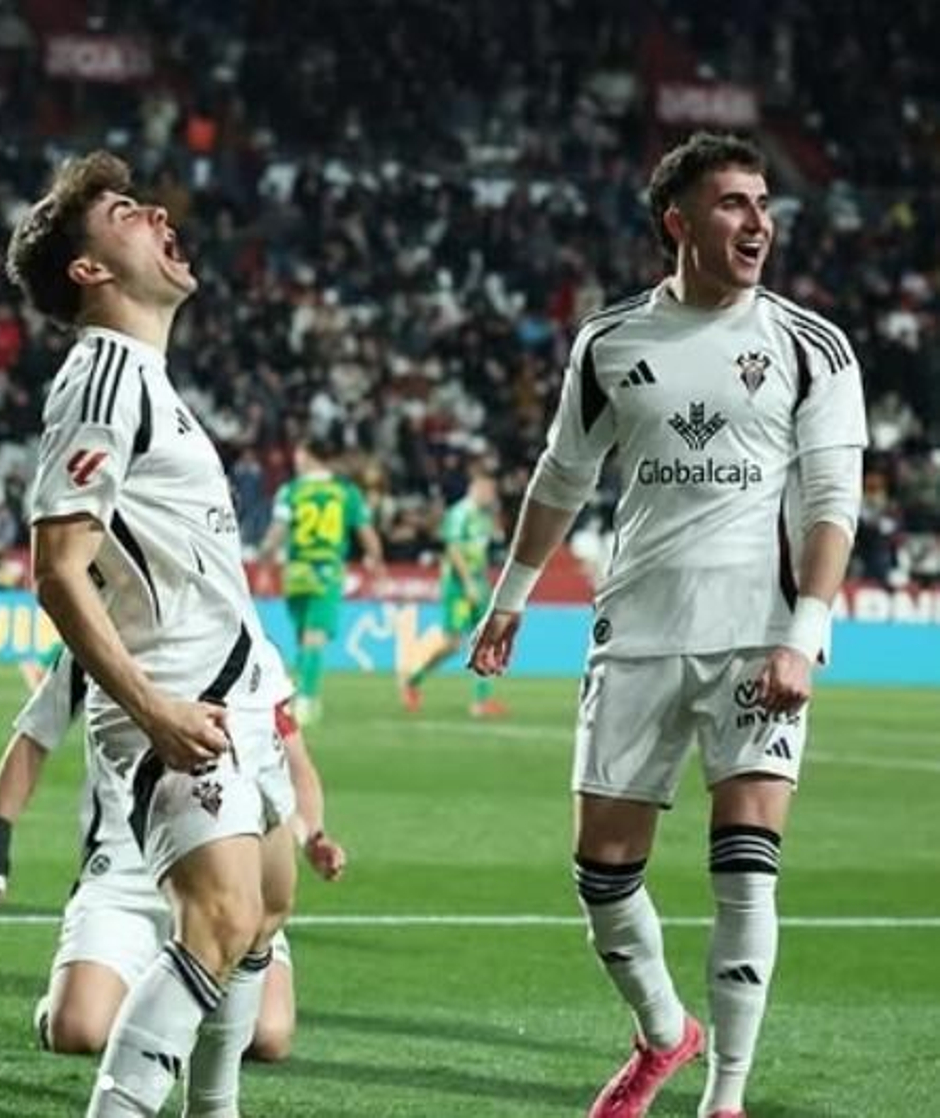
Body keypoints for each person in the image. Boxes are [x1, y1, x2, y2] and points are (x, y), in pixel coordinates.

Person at [468, 133, 866, 1118]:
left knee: (744, 865)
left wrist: (802, 632)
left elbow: (832, 502)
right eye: (733, 202)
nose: (757, 221)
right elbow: (560, 480)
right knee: (601, 872)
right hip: (636, 627)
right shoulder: (608, 343)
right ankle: (663, 1029)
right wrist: (509, 596)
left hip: (756, 635)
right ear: (677, 222)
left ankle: (724, 1094)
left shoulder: (812, 346)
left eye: (764, 202)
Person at [8, 150, 296, 1118]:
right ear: (89, 269)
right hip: (176, 699)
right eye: (127, 213)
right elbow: (54, 570)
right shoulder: (101, 381)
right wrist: (155, 709)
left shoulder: (148, 379)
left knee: (262, 912)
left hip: (231, 691)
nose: (159, 216)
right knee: (218, 916)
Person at [0, 648, 347, 1062]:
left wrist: (313, 834)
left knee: (268, 1036)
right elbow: (34, 737)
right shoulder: (93, 637)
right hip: (125, 881)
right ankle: (84, 1003)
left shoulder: (251, 644)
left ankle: (172, 1002)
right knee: (78, 1030)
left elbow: (294, 761)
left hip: (228, 874)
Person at [259, 435, 383, 727]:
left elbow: (275, 535)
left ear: (308, 455)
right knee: (315, 637)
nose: (295, 460)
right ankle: (307, 700)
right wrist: (375, 559)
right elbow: (366, 532)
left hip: (296, 572)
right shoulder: (345, 491)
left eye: (299, 454)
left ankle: (294, 695)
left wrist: (265, 563)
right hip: (327, 570)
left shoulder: (291, 490)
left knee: (303, 637)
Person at [401, 465, 506, 718]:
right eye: (488, 489)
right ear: (477, 487)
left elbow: (485, 547)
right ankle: (414, 679)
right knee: (453, 643)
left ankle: (482, 701)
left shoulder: (483, 516)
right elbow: (453, 550)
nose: (491, 495)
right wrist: (468, 582)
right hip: (459, 586)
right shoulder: (460, 513)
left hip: (479, 583)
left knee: (487, 638)